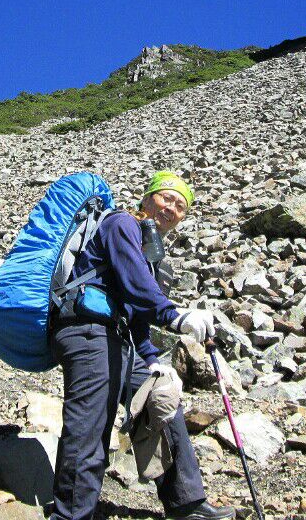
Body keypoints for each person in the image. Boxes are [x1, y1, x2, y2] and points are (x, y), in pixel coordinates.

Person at [50, 171, 235, 520]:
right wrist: (173, 316)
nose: (171, 208)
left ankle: (186, 503)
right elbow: (136, 285)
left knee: (161, 402)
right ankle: (71, 515)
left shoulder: (148, 250)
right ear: (147, 199)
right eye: (166, 198)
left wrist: (150, 357)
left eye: (180, 206)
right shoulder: (122, 223)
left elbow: (132, 308)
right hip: (86, 331)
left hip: (118, 339)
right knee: (90, 423)